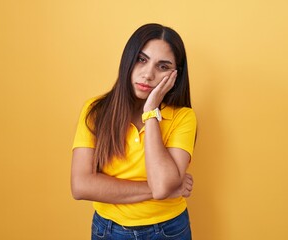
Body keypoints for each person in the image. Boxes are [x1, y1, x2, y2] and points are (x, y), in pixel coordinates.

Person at [71, 23, 197, 240]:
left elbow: (161, 187)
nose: (148, 75)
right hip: (108, 230)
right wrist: (166, 189)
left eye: (163, 67)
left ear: (175, 76)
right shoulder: (95, 111)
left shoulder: (183, 117)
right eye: (142, 59)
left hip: (168, 230)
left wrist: (151, 113)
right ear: (128, 60)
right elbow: (81, 186)